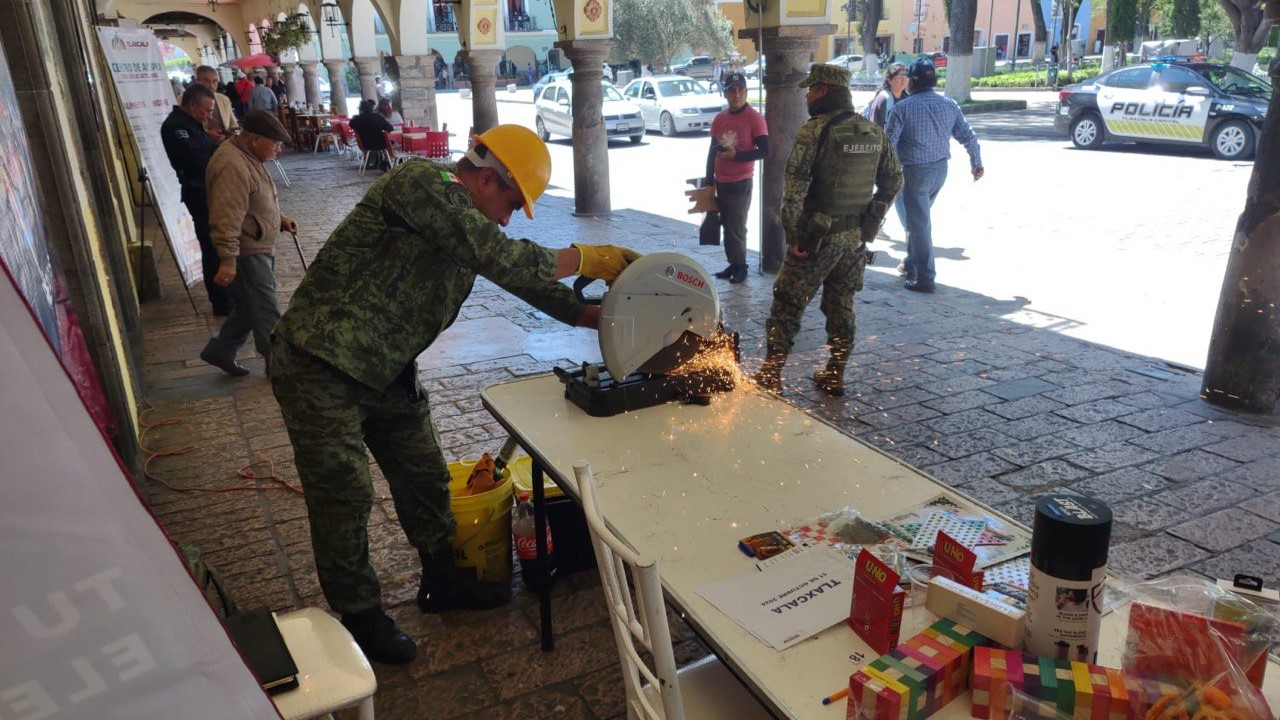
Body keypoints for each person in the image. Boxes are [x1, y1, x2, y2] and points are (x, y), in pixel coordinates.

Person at [268, 124, 639, 664]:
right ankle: (361, 616)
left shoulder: (465, 223)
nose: (508, 218)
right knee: (343, 495)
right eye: (510, 203)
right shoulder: (421, 184)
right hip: (320, 364)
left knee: (425, 477)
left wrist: (608, 318)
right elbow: (499, 254)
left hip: (387, 369)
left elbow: (523, 279)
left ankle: (443, 581)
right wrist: (585, 256)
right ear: (486, 178)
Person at [753, 64, 902, 396]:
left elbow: (793, 190)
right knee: (841, 304)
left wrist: (794, 236)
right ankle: (836, 374)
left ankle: (771, 372)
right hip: (853, 242)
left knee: (788, 302)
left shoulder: (814, 131)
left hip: (816, 240)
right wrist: (870, 220)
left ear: (823, 90)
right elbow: (894, 181)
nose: (806, 95)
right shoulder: (872, 131)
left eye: (811, 89)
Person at [199, 111, 296, 376]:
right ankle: (277, 364)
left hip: (256, 242)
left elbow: (255, 197)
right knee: (266, 307)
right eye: (274, 144)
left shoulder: (249, 155)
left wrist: (279, 218)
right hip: (247, 249)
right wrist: (228, 259)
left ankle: (221, 350)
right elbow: (226, 214)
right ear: (254, 140)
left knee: (248, 306)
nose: (277, 150)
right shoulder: (232, 163)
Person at [884, 58, 983, 293]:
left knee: (919, 226)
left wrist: (882, 173)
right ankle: (911, 263)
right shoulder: (949, 105)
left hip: (914, 172)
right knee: (917, 220)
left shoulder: (902, 108)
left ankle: (925, 278)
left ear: (914, 81)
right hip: (939, 171)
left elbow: (888, 144)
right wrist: (976, 162)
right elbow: (967, 135)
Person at [161, 85, 236, 316]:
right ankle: (221, 300)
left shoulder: (192, 123)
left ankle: (229, 294)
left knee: (220, 242)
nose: (209, 116)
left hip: (209, 190)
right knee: (212, 246)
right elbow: (197, 161)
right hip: (199, 192)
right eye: (206, 111)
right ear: (192, 105)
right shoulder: (176, 126)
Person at [705, 71, 768, 284]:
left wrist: (737, 156)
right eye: (732, 90)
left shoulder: (755, 118)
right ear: (725, 93)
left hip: (741, 182)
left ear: (746, 92)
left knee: (737, 226)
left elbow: (764, 151)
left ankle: (741, 267)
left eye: (741, 89)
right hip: (721, 181)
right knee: (726, 224)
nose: (737, 94)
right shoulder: (719, 119)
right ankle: (732, 263)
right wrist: (708, 179)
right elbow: (712, 150)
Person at [195, 65, 239, 140]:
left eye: (214, 81)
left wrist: (234, 133)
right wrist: (207, 133)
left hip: (225, 144)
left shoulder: (224, 99)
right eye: (206, 81)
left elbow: (233, 123)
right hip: (202, 145)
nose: (211, 85)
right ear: (198, 82)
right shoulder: (187, 100)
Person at [349, 98, 395, 169]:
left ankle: (382, 162)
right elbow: (390, 128)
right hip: (380, 144)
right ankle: (389, 162)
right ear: (371, 109)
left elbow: (351, 125)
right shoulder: (378, 118)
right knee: (393, 142)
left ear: (361, 110)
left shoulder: (356, 119)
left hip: (365, 145)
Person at [864, 62, 908, 129]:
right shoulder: (883, 99)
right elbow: (875, 128)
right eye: (900, 77)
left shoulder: (906, 98)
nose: (904, 80)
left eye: (906, 77)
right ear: (889, 80)